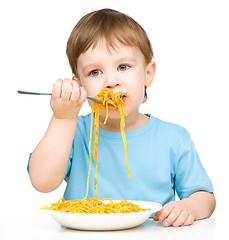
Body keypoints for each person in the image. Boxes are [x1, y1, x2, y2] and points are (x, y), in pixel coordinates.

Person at [28, 8, 216, 227]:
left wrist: (188, 207)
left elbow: (205, 197)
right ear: (79, 85)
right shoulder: (73, 131)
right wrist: (62, 118)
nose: (111, 81)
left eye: (123, 67)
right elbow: (42, 182)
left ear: (148, 74)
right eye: (95, 72)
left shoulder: (173, 137)